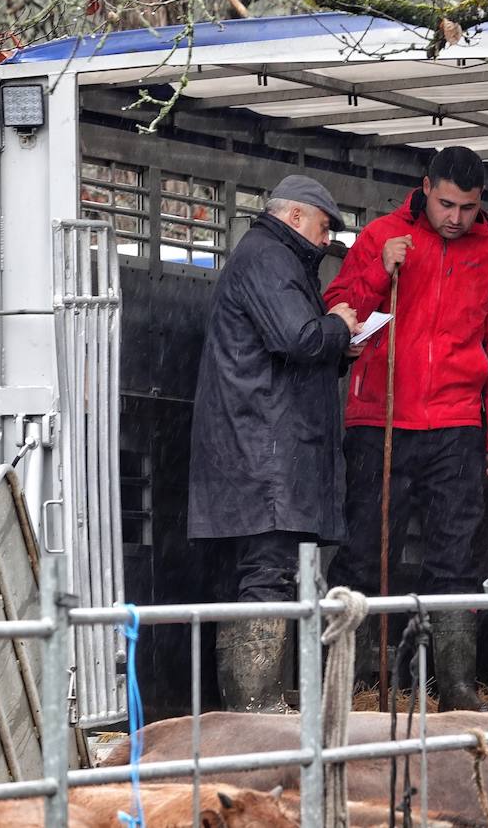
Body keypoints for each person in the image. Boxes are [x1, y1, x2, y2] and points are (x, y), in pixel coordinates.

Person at [324, 146, 488, 712]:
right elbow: (340, 310)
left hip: (456, 424)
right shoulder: (383, 235)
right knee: (362, 552)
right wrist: (377, 271)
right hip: (378, 418)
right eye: (446, 204)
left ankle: (455, 687)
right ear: (425, 187)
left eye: (468, 207)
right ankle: (348, 683)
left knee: (454, 560)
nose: (456, 217)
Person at [188, 175, 362, 713]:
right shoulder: (270, 259)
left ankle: (253, 703)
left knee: (265, 572)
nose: (327, 237)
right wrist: (337, 325)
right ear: (295, 217)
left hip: (257, 446)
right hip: (264, 453)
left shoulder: (266, 256)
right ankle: (255, 709)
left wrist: (335, 343)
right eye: (323, 225)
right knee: (267, 574)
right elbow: (298, 338)